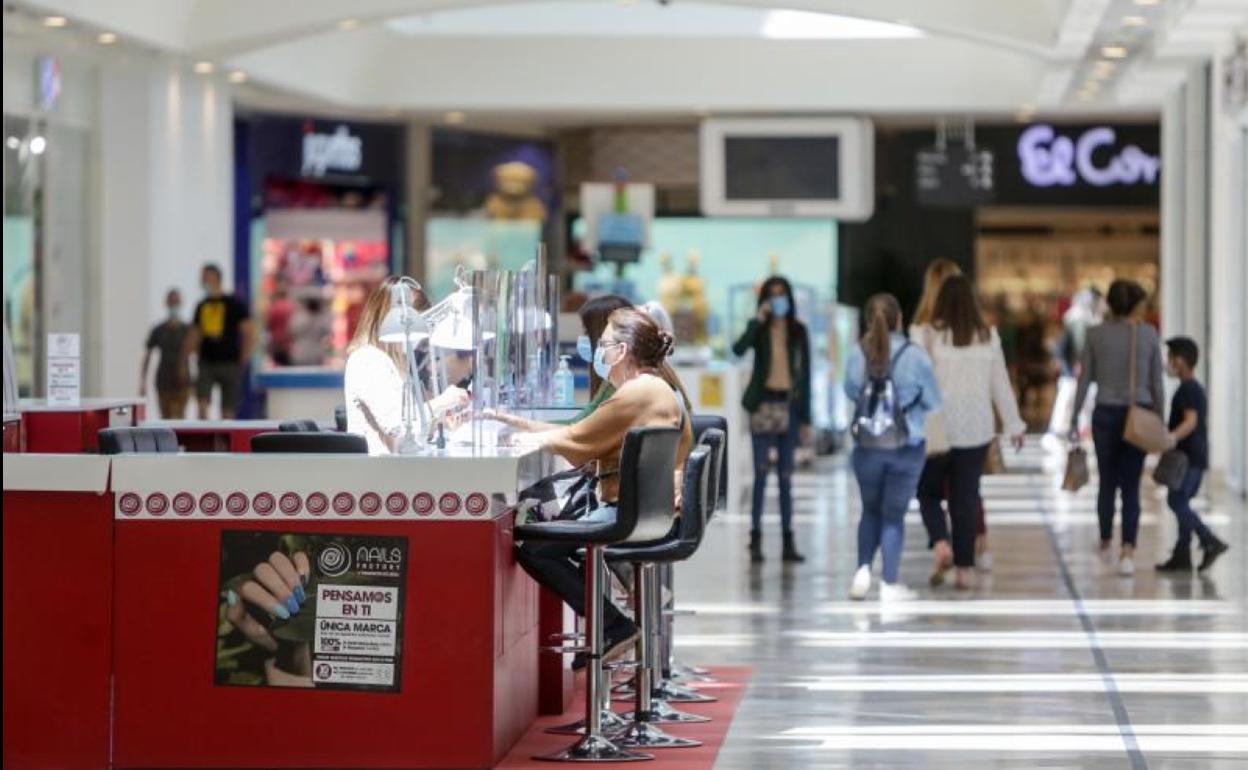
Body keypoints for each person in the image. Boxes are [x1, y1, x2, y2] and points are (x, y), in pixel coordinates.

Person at [505, 308, 693, 663]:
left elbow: (577, 436)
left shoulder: (638, 392)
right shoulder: (655, 387)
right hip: (651, 511)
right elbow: (586, 436)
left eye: (603, 344)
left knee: (535, 546)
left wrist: (519, 431)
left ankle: (612, 627)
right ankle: (608, 627)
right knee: (568, 543)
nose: (598, 352)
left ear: (621, 351)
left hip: (629, 514)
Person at [912, 275, 1026, 590]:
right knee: (965, 499)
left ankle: (940, 543)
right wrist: (1014, 424)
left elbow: (916, 383)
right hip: (976, 430)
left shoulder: (926, 335)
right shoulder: (988, 337)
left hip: (938, 429)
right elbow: (1000, 384)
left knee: (927, 493)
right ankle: (964, 570)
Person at [845, 293, 942, 601]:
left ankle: (862, 571)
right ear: (900, 319)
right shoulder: (915, 356)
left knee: (869, 510)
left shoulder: (857, 354)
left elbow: (850, 391)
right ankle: (889, 582)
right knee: (893, 516)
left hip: (866, 446)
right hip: (906, 446)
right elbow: (933, 402)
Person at [1070, 279, 1164, 577]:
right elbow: (1156, 382)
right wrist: (1159, 416)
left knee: (1107, 482)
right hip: (1138, 413)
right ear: (1136, 305)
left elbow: (1085, 380)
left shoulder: (1095, 335)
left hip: (1105, 414)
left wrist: (1074, 418)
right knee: (1131, 486)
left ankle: (1106, 540)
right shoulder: (1148, 335)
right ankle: (1128, 552)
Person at [732, 276, 812, 564]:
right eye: (772, 296)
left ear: (789, 299)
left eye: (782, 295)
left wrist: (806, 417)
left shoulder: (799, 332)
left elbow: (806, 376)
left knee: (786, 478)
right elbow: (738, 349)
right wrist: (757, 320)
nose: (778, 300)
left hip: (788, 406)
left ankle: (788, 541)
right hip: (762, 405)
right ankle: (755, 540)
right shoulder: (761, 329)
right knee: (760, 476)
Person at [343, 277, 470, 455]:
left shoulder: (396, 363)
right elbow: (397, 426)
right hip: (376, 475)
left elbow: (413, 431)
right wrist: (443, 401)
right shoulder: (367, 359)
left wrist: (441, 422)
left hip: (399, 469)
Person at [490, 294, 632, 432]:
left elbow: (580, 431)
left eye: (587, 333)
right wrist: (517, 424)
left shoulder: (620, 387)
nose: (582, 339)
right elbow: (578, 424)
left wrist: (521, 427)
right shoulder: (609, 384)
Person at [1155, 337, 1229, 573]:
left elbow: (1191, 421)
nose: (1168, 363)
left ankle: (1209, 540)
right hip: (1192, 457)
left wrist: (1171, 437)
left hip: (1188, 458)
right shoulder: (1192, 388)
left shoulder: (1188, 389)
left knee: (1176, 501)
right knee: (1181, 501)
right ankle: (1182, 554)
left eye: (1171, 358)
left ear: (1181, 360)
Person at [186, 264, 254, 419]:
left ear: (214, 278)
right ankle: (203, 440)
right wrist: (192, 356)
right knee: (202, 403)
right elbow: (196, 333)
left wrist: (243, 358)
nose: (202, 281)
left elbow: (248, 333)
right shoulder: (202, 305)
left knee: (228, 409)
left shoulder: (234, 304)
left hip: (229, 361)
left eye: (205, 277)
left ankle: (226, 443)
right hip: (206, 362)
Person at [141, 289, 192, 419]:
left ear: (181, 303)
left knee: (180, 416)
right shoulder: (158, 330)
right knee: (166, 416)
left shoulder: (187, 330)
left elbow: (196, 355)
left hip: (183, 379)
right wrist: (142, 381)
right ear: (166, 303)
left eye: (176, 301)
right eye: (171, 301)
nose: (173, 304)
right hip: (163, 379)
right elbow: (148, 355)